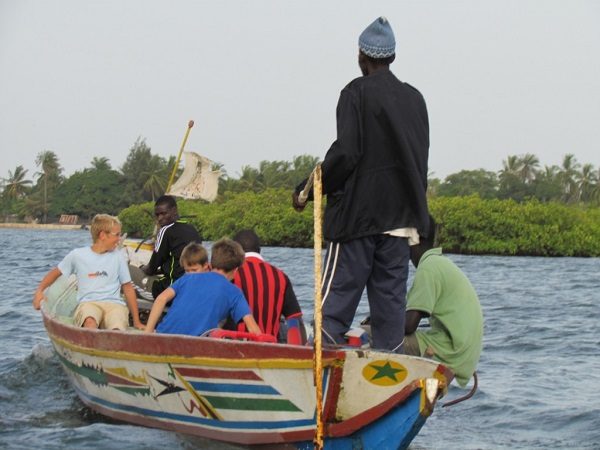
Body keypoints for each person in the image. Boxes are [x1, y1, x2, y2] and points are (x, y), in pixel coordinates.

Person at [292, 16, 430, 352]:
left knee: (334, 310)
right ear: (392, 57)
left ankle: (319, 377)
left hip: (357, 219)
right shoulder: (415, 99)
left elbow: (347, 153)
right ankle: (387, 376)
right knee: (389, 317)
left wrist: (307, 189)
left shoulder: (355, 92)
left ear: (361, 57)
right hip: (400, 224)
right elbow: (419, 160)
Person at [404, 216, 483, 387]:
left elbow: (409, 325)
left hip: (451, 351)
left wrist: (378, 321)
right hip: (462, 354)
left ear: (412, 238)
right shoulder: (438, 263)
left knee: (373, 335)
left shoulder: (428, 268)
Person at [32, 214, 143, 331]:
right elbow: (55, 272)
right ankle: (91, 340)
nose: (119, 239)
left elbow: (128, 288)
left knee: (117, 325)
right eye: (117, 235)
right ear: (102, 235)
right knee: (90, 320)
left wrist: (136, 321)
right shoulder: (78, 255)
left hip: (113, 304)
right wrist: (39, 291)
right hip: (89, 303)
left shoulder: (118, 257)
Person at [144, 239, 261, 336]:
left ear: (211, 263)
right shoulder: (235, 292)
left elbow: (161, 299)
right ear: (235, 270)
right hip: (195, 343)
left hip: (163, 334)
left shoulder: (187, 278)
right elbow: (253, 329)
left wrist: (148, 332)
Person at [231, 229, 306, 344]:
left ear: (234, 252)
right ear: (259, 250)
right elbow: (294, 321)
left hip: (236, 348)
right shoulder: (281, 276)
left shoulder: (231, 274)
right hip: (269, 349)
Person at [140, 194, 202, 299]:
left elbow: (151, 268)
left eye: (163, 214)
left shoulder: (166, 230)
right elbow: (178, 264)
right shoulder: (192, 228)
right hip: (192, 288)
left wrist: (142, 268)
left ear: (174, 210)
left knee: (129, 276)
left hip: (172, 290)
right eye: (157, 215)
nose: (160, 218)